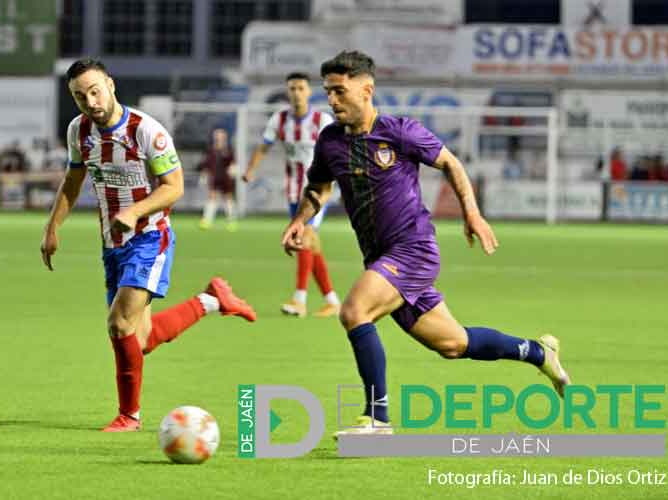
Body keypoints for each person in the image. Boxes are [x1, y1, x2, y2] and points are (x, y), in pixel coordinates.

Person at [280, 51, 571, 436]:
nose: (331, 101)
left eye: (339, 91)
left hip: (413, 250)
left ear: (366, 90)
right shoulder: (330, 141)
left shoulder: (399, 131)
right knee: (453, 344)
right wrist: (301, 219)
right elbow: (318, 188)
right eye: (328, 92)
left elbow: (451, 163)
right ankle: (538, 352)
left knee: (354, 311)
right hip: (380, 258)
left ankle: (377, 419)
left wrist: (472, 213)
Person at [41, 59, 257, 433]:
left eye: (95, 90)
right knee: (135, 340)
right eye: (79, 96)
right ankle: (211, 300)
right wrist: (52, 228)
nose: (90, 101)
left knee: (118, 324)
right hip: (113, 243)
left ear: (110, 84)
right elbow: (73, 180)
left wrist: (136, 211)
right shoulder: (79, 131)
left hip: (149, 238)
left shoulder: (147, 131)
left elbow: (174, 187)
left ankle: (130, 416)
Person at [243, 72, 341, 318]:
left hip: (318, 191)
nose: (296, 92)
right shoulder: (279, 119)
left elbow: (339, 149)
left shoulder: (322, 120)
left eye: (301, 88)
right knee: (311, 245)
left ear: (309, 92)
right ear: (288, 92)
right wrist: (250, 170)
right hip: (293, 192)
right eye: (292, 88)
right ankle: (332, 300)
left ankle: (300, 299)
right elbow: (263, 147)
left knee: (304, 238)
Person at [198, 128, 238, 231]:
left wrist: (233, 170)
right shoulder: (210, 149)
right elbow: (206, 163)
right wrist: (204, 173)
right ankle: (207, 221)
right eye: (217, 136)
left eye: (221, 136)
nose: (218, 138)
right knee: (212, 197)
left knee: (228, 198)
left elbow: (232, 162)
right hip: (214, 176)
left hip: (226, 177)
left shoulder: (228, 149)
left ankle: (231, 221)